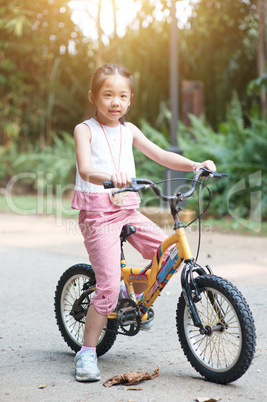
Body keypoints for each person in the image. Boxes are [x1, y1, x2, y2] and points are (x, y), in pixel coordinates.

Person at [71, 63, 216, 382]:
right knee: (107, 286)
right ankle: (87, 353)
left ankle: (131, 299)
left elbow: (162, 155)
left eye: (122, 96)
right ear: (93, 96)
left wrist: (195, 165)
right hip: (98, 214)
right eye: (108, 94)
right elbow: (84, 168)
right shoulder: (85, 129)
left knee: (166, 253)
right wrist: (112, 176)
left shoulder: (129, 131)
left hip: (127, 211)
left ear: (130, 99)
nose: (115, 102)